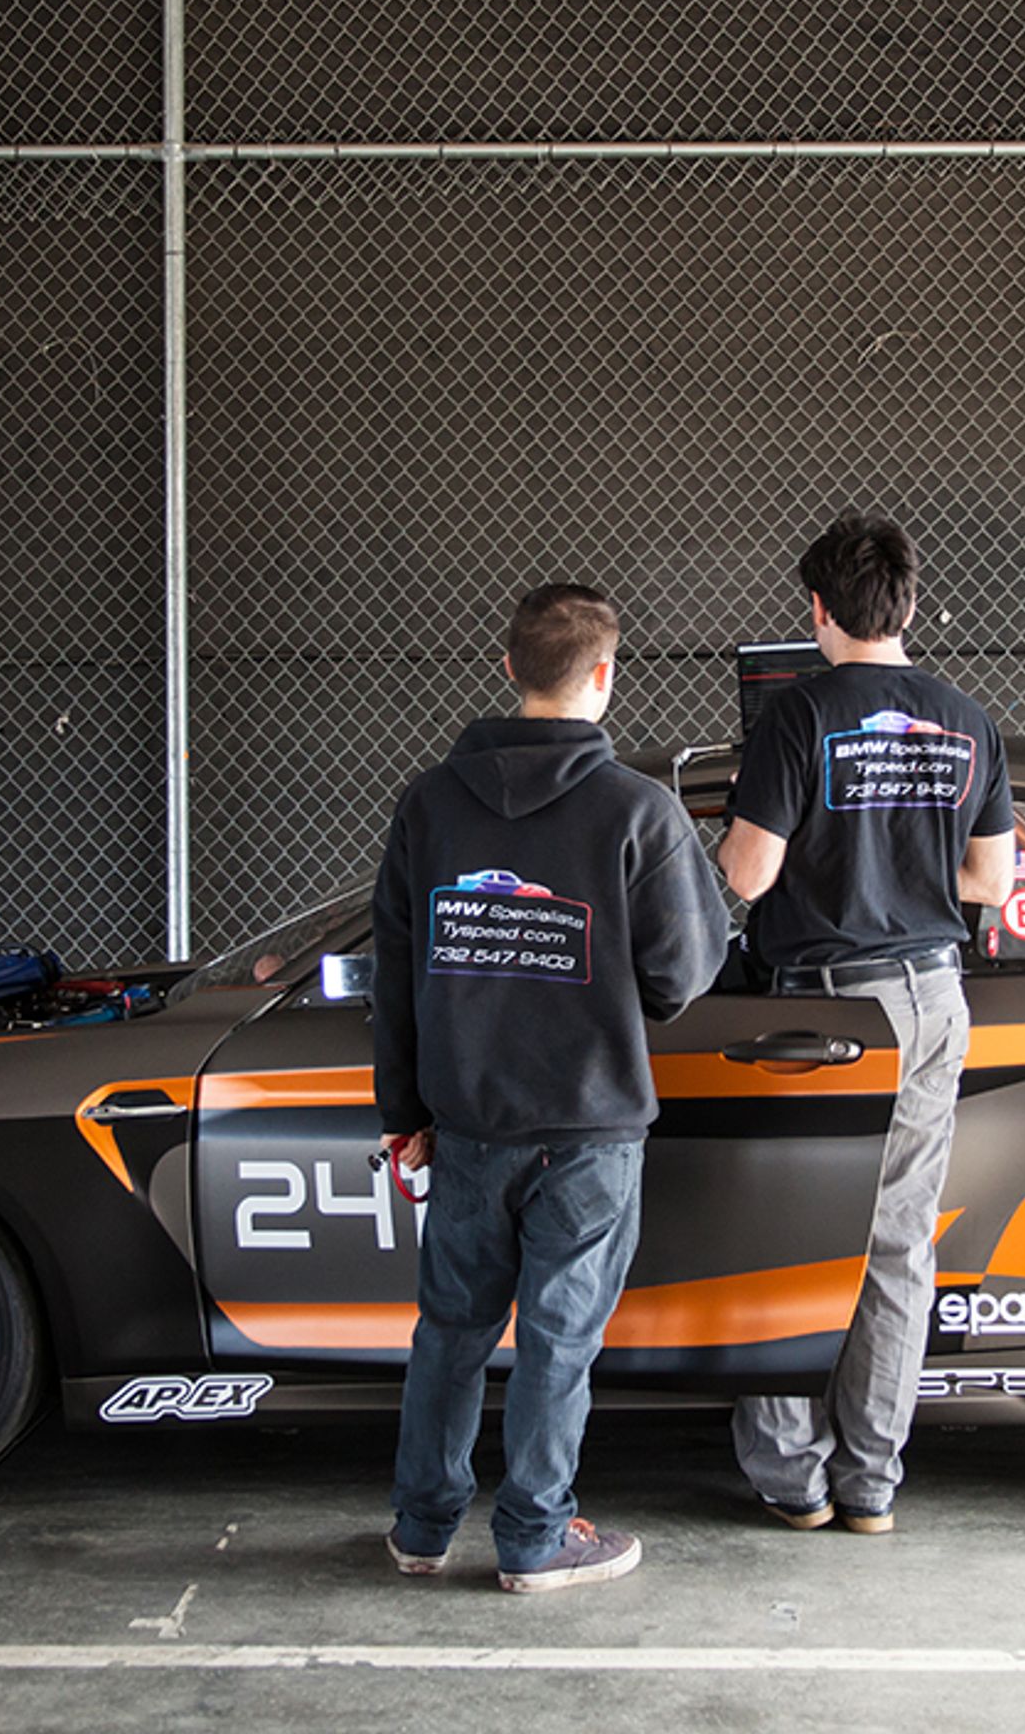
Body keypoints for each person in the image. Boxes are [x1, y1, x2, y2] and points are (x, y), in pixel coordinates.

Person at [372, 583, 728, 1593]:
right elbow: (682, 978)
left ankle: (422, 1528)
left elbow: (394, 974)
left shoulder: (430, 804)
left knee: (449, 1331)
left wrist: (403, 1115)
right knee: (559, 1335)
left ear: (507, 666)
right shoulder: (638, 810)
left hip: (466, 1122)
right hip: (590, 1127)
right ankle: (534, 1539)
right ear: (606, 677)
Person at [722, 513, 1015, 1534]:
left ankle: (791, 1481)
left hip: (825, 1012)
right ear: (911, 605)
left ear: (815, 610)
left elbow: (748, 874)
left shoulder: (797, 719)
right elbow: (989, 878)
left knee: (789, 1236)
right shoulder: (968, 718)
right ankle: (871, 1487)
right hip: (934, 997)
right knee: (897, 1245)